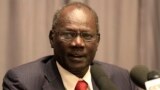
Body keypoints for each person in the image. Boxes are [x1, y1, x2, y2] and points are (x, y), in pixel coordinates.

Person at [3, 2, 139, 90]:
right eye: (68, 35)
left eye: (87, 36)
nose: (78, 43)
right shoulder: (22, 82)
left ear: (97, 41)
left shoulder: (121, 79)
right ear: (52, 38)